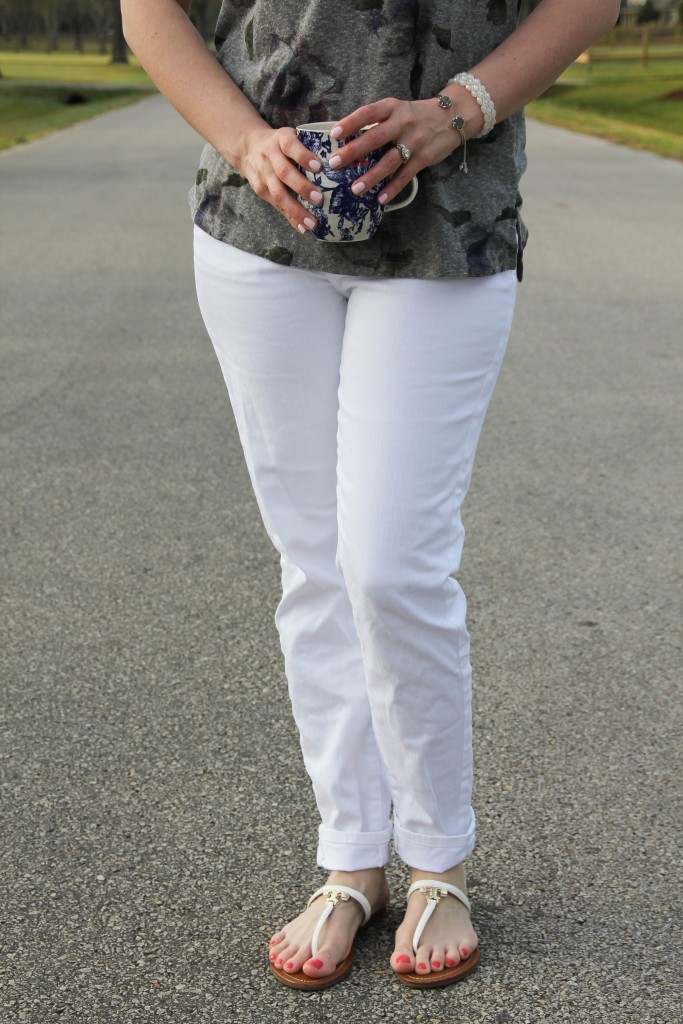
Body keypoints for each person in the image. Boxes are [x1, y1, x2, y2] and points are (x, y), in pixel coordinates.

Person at [121, 0, 620, 991]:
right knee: (312, 561)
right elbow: (149, 10)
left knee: (390, 561)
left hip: (448, 222)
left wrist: (459, 107)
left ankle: (439, 858)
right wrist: (245, 142)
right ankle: (350, 857)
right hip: (258, 225)